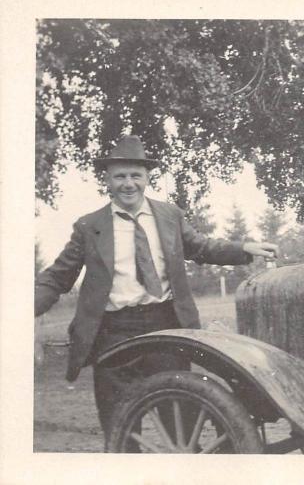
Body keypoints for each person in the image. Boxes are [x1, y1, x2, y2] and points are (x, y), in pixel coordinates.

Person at [34, 135, 278, 438]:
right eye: (120, 176)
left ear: (148, 177)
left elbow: (202, 247)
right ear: (107, 180)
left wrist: (245, 248)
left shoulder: (169, 216)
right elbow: (58, 276)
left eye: (136, 175)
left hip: (166, 327)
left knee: (181, 421)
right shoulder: (89, 226)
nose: (128, 184)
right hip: (113, 335)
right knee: (119, 424)